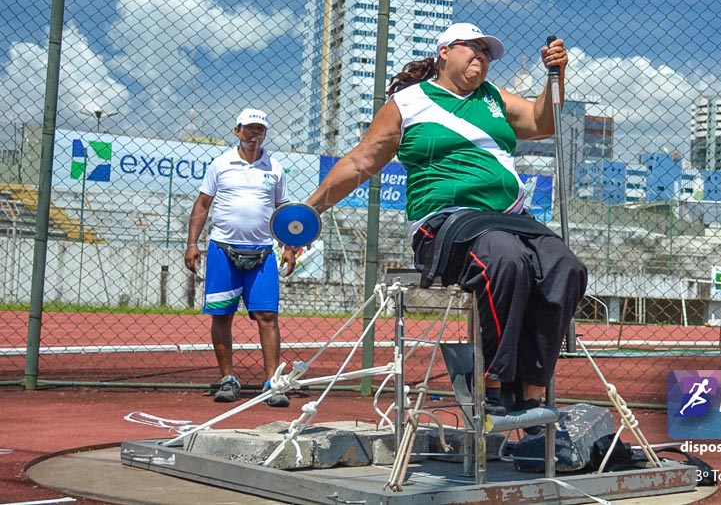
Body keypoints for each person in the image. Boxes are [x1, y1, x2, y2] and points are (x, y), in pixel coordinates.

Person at [306, 22, 588, 422]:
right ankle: (492, 383)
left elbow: (543, 123)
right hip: (444, 223)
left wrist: (555, 74)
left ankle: (532, 385)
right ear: (443, 52)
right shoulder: (409, 102)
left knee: (566, 266)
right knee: (505, 259)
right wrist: (310, 208)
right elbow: (360, 161)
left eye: (487, 53)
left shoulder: (494, 99)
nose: (482, 56)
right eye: (472, 48)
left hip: (509, 218)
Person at [185, 108, 296, 408]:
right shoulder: (220, 164)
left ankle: (273, 383)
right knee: (222, 316)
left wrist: (288, 247)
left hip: (262, 252)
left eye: (259, 129)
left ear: (265, 133)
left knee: (268, 317)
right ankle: (227, 379)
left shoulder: (275, 168)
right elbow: (203, 203)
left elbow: (282, 210)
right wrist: (192, 243)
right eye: (248, 129)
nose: (253, 134)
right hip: (222, 249)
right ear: (237, 131)